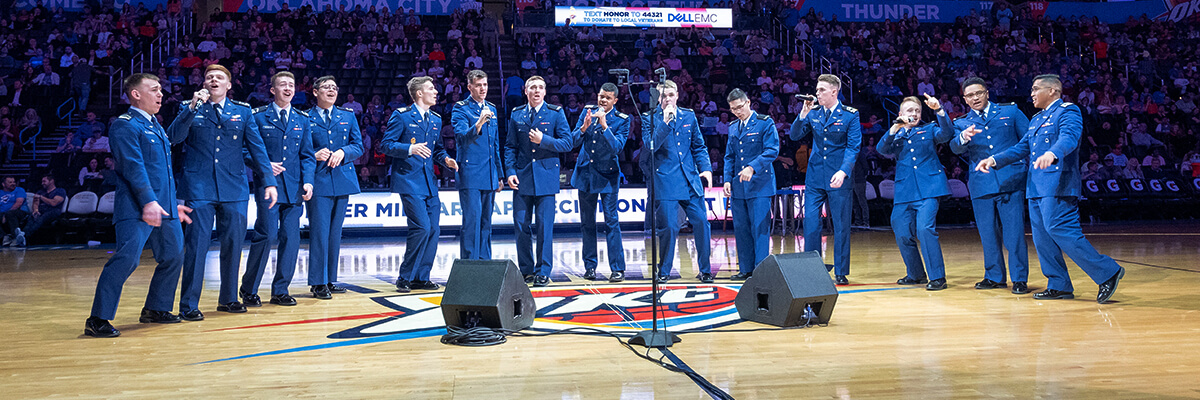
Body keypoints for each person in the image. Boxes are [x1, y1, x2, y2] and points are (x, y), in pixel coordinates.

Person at [977, 74, 1125, 303]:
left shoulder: (1068, 111)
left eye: (1036, 89)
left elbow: (1070, 138)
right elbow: (1020, 148)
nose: (1032, 94)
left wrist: (1053, 153)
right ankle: (1059, 284)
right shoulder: (1036, 119)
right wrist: (994, 160)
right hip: (1036, 187)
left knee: (1061, 230)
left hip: (1058, 185)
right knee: (1042, 238)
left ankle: (1108, 271)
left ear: (1053, 91)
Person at [85, 73, 194, 337]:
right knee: (127, 259)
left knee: (174, 255)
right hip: (137, 207)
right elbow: (134, 168)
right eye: (155, 90)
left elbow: (163, 171)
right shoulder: (125, 125)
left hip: (164, 207)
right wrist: (149, 202)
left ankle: (156, 308)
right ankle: (97, 319)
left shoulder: (155, 124)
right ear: (136, 94)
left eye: (160, 90)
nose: (161, 95)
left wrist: (170, 203)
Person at [168, 64, 278, 320]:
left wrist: (269, 181)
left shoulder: (242, 111)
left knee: (233, 245)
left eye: (219, 77)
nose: (213, 79)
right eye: (208, 77)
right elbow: (174, 137)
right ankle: (189, 305)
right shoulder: (189, 107)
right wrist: (192, 107)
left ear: (229, 85)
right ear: (203, 84)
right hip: (199, 187)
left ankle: (229, 299)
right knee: (196, 247)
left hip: (234, 187)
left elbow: (257, 148)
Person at [948, 77, 1031, 294]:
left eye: (978, 93)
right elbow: (954, 148)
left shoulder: (1010, 112)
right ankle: (994, 276)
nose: (975, 98)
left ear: (987, 92)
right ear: (964, 99)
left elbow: (1029, 139)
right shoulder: (961, 123)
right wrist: (963, 138)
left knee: (1014, 234)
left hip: (1010, 180)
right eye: (970, 95)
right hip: (981, 184)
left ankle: (1019, 278)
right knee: (987, 233)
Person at [242, 71, 315, 307]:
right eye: (282, 84)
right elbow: (244, 151)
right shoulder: (257, 116)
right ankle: (249, 289)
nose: (288, 88)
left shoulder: (302, 119)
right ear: (272, 90)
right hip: (268, 187)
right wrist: (263, 166)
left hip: (294, 189)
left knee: (291, 239)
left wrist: (308, 181)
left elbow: (307, 156)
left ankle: (281, 290)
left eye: (291, 85)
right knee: (266, 235)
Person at [382, 76, 458, 293]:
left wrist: (445, 159)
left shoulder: (435, 119)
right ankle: (405, 276)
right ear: (418, 94)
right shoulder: (402, 116)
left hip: (429, 182)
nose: (436, 92)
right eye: (431, 89)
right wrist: (409, 149)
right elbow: (386, 144)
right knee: (421, 227)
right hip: (408, 180)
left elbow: (437, 149)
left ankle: (421, 277)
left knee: (433, 230)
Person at [789, 74, 861, 285]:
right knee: (811, 222)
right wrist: (803, 113)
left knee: (840, 225)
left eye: (821, 90)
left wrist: (844, 170)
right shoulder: (814, 113)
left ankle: (840, 271)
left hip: (838, 176)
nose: (817, 93)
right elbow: (794, 135)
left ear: (833, 91)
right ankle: (812, 268)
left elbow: (853, 146)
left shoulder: (850, 115)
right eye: (817, 90)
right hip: (815, 176)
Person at [877, 95, 954, 290]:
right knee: (902, 232)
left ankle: (937, 277)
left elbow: (946, 134)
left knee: (925, 229)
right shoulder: (897, 135)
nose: (914, 114)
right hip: (905, 191)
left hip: (929, 188)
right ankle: (916, 273)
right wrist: (895, 128)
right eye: (910, 111)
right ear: (901, 114)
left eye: (917, 111)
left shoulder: (929, 129)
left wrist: (940, 111)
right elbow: (881, 149)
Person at [641, 79, 714, 284]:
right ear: (657, 98)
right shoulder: (649, 118)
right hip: (665, 180)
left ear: (677, 95)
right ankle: (664, 270)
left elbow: (699, 146)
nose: (667, 99)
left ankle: (705, 270)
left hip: (690, 178)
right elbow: (651, 145)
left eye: (670, 95)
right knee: (670, 227)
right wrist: (664, 122)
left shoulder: (689, 116)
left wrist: (706, 169)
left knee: (701, 222)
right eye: (663, 96)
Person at [505, 75, 574, 287]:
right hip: (522, 177)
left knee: (545, 227)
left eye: (540, 87)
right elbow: (510, 146)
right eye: (532, 87)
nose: (536, 91)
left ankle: (543, 270)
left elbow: (567, 143)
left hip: (545, 177)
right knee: (520, 225)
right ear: (525, 91)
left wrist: (544, 140)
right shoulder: (517, 114)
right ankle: (526, 270)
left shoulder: (555, 113)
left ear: (545, 92)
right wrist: (509, 171)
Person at [305, 76, 363, 299]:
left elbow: (358, 146)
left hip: (342, 180)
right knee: (319, 233)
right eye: (326, 87)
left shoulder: (347, 116)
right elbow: (299, 150)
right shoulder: (305, 118)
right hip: (318, 180)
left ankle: (329, 279)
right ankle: (317, 282)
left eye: (334, 88)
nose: (331, 90)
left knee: (335, 234)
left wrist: (343, 152)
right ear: (315, 92)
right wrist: (313, 154)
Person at [571, 83, 629, 282]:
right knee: (587, 223)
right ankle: (590, 267)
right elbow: (572, 141)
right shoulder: (587, 113)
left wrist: (604, 126)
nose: (603, 101)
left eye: (607, 98)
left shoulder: (622, 120)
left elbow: (617, 148)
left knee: (611, 222)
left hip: (607, 176)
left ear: (615, 100)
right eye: (601, 96)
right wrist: (583, 128)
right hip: (586, 175)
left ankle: (617, 268)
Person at [722, 88, 778, 280]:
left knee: (759, 229)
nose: (737, 112)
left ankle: (761, 271)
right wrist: (727, 179)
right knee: (742, 229)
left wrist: (752, 167)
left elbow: (772, 150)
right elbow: (729, 156)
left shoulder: (765, 123)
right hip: (739, 187)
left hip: (760, 184)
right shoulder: (732, 127)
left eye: (739, 107)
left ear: (748, 103)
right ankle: (745, 269)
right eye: (733, 109)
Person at [451, 70, 502, 260]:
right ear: (469, 87)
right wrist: (479, 123)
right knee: (472, 222)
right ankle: (470, 264)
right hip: (471, 173)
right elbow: (462, 138)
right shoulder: (460, 108)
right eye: (479, 85)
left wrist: (499, 175)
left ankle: (485, 262)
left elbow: (494, 144)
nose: (483, 89)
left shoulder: (492, 108)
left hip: (489, 174)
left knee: (486, 222)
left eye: (485, 85)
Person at [21, 174, 67, 245]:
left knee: (41, 218)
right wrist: (35, 210)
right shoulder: (40, 191)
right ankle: (22, 235)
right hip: (41, 209)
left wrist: (41, 197)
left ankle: (24, 236)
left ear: (51, 181)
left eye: (44, 181)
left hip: (53, 210)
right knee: (32, 217)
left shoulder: (60, 191)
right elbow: (35, 202)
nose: (42, 183)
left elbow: (53, 203)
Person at [1, 176, 26, 247]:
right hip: (3, 213)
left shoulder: (19, 190)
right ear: (3, 184)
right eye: (10, 182)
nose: (13, 184)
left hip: (19, 212)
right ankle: (5, 237)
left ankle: (15, 237)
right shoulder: (0, 193)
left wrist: (5, 215)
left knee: (10, 214)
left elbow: (19, 203)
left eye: (14, 182)